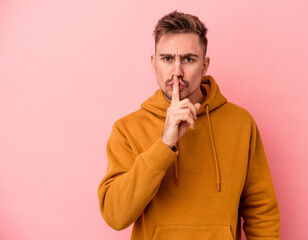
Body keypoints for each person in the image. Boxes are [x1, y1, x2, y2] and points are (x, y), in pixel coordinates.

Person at [98, 10, 280, 240]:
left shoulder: (241, 123)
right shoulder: (127, 129)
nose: (177, 72)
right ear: (154, 63)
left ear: (205, 65)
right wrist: (165, 144)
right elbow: (115, 216)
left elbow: (261, 211)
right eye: (167, 59)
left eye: (188, 59)